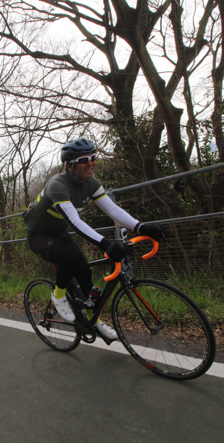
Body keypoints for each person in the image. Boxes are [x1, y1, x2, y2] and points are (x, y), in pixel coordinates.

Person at [23, 138, 165, 340]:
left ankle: (94, 320)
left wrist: (141, 226)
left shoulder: (91, 184)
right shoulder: (58, 185)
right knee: (70, 257)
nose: (90, 162)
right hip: (38, 234)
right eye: (83, 160)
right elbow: (74, 221)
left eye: (93, 157)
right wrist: (106, 244)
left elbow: (112, 209)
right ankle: (59, 295)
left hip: (58, 231)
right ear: (69, 165)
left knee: (84, 270)